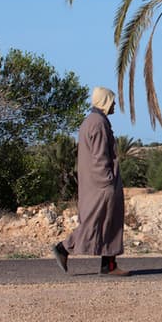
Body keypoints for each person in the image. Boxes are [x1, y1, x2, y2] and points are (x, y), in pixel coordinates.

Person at [52, 86, 130, 276]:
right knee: (95, 222)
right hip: (102, 184)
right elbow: (99, 156)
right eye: (112, 101)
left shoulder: (95, 121)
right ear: (105, 101)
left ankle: (109, 265)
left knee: (109, 222)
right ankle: (64, 248)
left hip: (99, 182)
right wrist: (108, 180)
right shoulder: (98, 123)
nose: (115, 105)